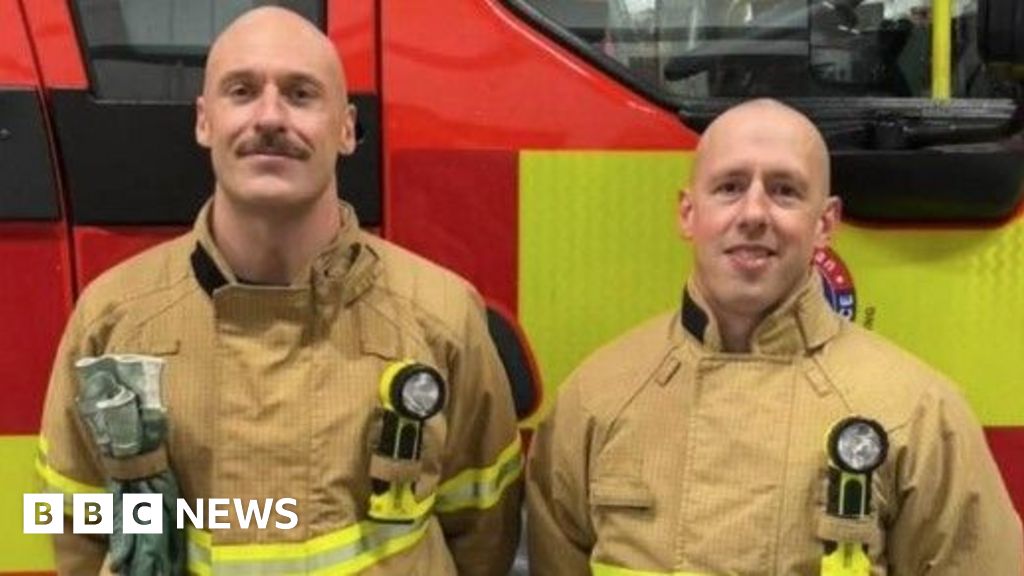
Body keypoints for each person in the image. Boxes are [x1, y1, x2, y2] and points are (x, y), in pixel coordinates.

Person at [38, 7, 522, 575]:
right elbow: (74, 519)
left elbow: (483, 532)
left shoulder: (441, 316)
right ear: (204, 121)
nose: (270, 117)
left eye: (300, 94)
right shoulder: (112, 319)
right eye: (242, 91)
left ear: (346, 128)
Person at [526, 98, 1022, 575]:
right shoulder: (596, 400)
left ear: (825, 223)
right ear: (688, 213)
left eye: (784, 191)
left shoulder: (918, 416)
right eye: (729, 187)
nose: (754, 213)